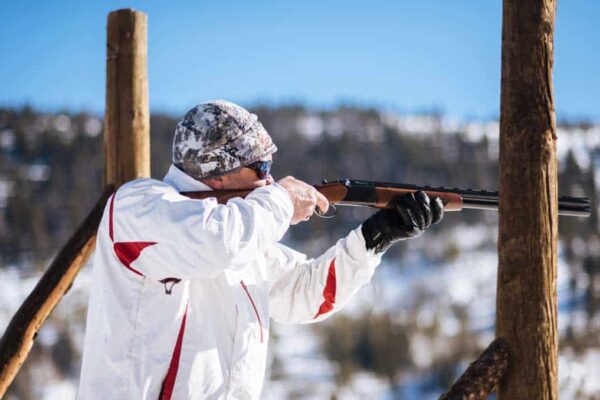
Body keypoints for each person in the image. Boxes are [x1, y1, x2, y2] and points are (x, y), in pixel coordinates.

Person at [77, 100, 444, 399]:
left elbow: (309, 294)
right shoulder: (138, 206)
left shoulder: (241, 237)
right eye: (261, 167)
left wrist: (375, 237)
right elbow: (214, 242)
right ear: (216, 171)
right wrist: (280, 201)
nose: (269, 179)